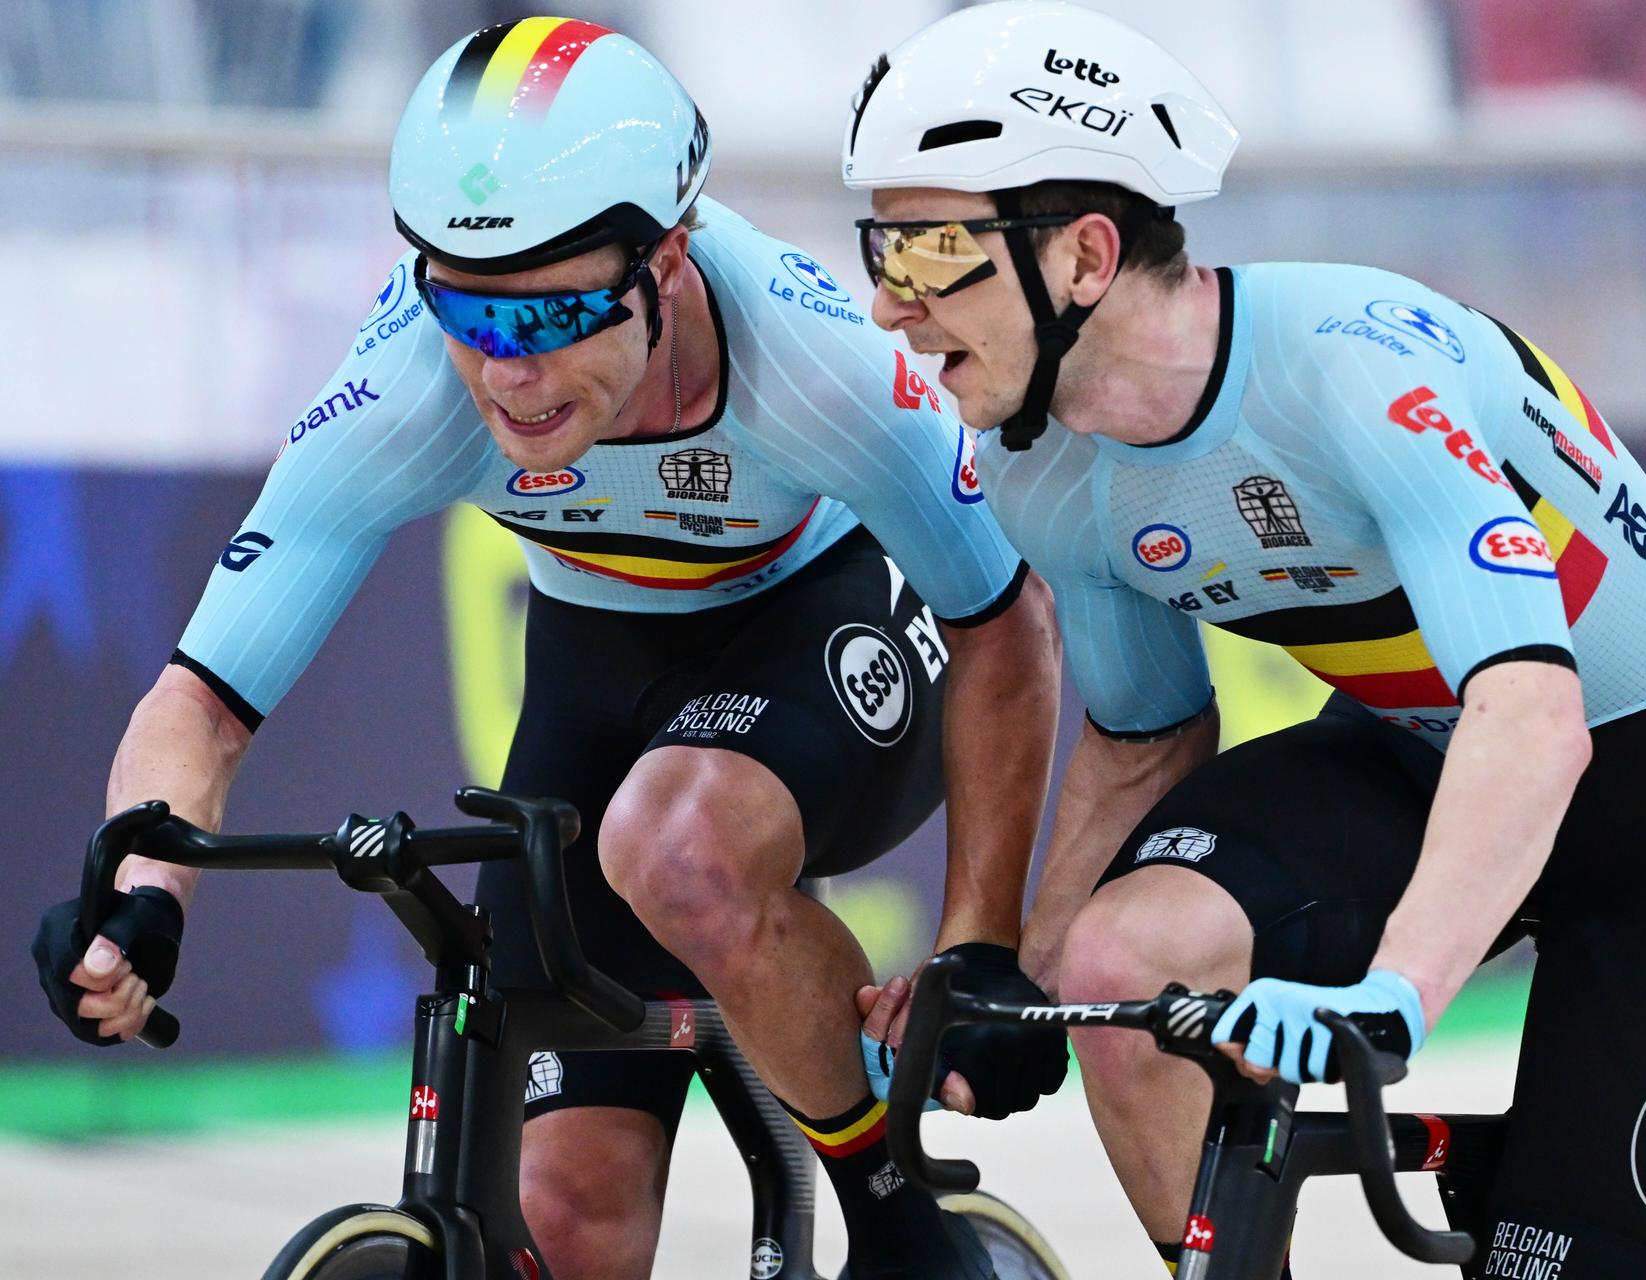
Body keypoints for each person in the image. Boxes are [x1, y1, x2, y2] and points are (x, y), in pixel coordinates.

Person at [32, 18, 1068, 1280]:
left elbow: (1008, 625)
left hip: (831, 613)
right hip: (602, 659)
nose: (507, 375)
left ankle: (902, 1222)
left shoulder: (816, 370)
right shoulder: (412, 386)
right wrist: (143, 893)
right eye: (470, 312)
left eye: (560, 313)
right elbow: (204, 698)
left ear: (670, 263)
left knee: (676, 845)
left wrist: (979, 942)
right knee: (568, 1209)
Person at [843, 4, 1646, 1276]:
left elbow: (1535, 717)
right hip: (1414, 750)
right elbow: (1144, 737)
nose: (887, 304)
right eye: (884, 248)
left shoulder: (1358, 373)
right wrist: (1024, 976)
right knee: (1121, 969)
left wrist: (1394, 993)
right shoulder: (1045, 471)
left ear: (1084, 254)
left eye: (932, 251)